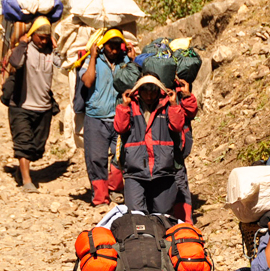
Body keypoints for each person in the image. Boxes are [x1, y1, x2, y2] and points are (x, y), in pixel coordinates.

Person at [114, 74, 195, 214]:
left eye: (153, 92)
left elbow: (177, 126)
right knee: (136, 214)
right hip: (135, 171)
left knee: (162, 213)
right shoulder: (130, 106)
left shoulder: (167, 105)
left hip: (163, 170)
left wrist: (174, 104)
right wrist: (124, 106)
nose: (149, 96)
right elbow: (120, 128)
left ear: (159, 91)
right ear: (139, 91)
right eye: (146, 92)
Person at [80, 29, 135, 206]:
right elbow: (88, 82)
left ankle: (115, 189)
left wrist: (132, 60)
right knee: (96, 159)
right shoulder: (91, 60)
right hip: (96, 118)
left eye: (117, 46)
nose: (114, 50)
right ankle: (100, 198)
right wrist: (94, 57)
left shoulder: (125, 61)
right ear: (104, 46)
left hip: (120, 116)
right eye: (111, 46)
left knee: (122, 157)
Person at [6, 17, 60, 193]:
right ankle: (27, 182)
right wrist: (22, 44)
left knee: (37, 149)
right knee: (23, 144)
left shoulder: (51, 52)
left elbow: (65, 65)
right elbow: (15, 62)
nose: (43, 41)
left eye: (46, 37)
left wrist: (58, 47)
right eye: (40, 37)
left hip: (43, 108)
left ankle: (20, 171)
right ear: (32, 35)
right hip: (21, 106)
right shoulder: (25, 49)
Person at [171, 78, 198, 223]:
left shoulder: (180, 89)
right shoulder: (150, 90)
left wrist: (187, 95)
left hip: (178, 147)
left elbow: (191, 112)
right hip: (161, 147)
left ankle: (185, 221)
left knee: (180, 180)